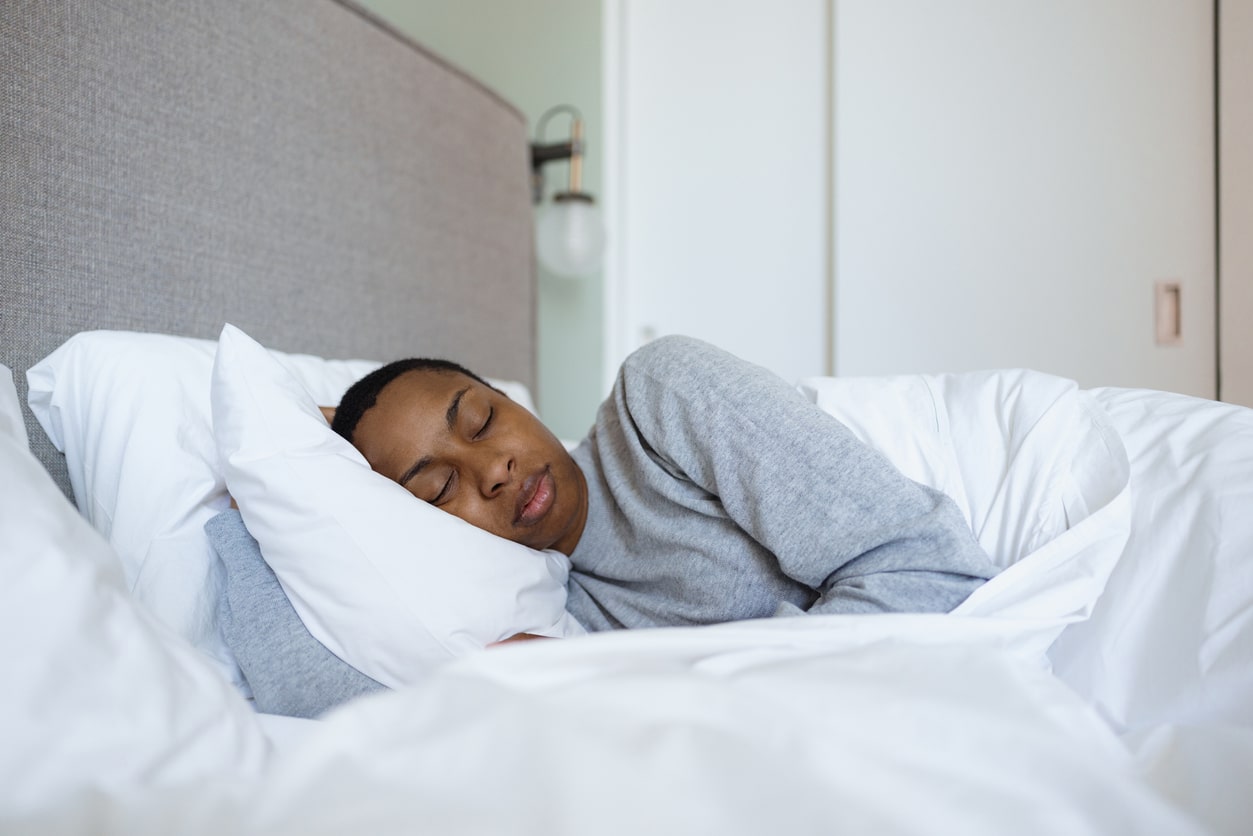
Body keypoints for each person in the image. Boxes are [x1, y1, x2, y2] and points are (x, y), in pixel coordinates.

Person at [332, 335, 997, 633]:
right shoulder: (540, 621)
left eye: (482, 420)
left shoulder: (656, 401)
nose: (493, 470)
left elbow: (925, 565)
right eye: (440, 489)